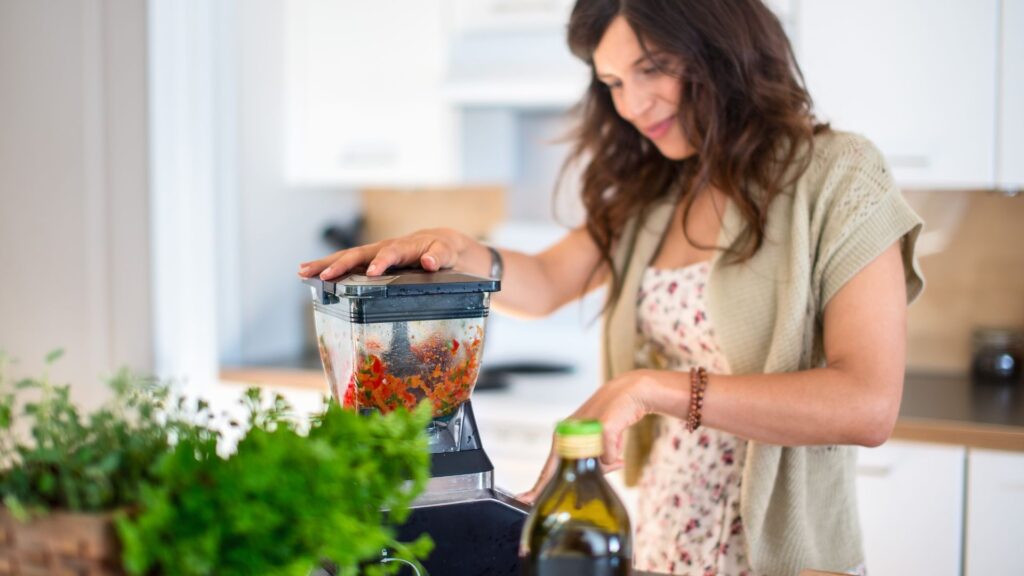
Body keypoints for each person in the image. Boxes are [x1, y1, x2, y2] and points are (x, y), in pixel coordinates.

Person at [298, 0, 924, 574]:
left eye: (653, 69)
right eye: (614, 83)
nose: (633, 104)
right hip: (667, 537)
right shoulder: (657, 190)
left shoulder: (838, 174)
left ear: (726, 51)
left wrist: (648, 388)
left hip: (785, 556)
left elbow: (866, 405)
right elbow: (544, 282)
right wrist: (461, 249)